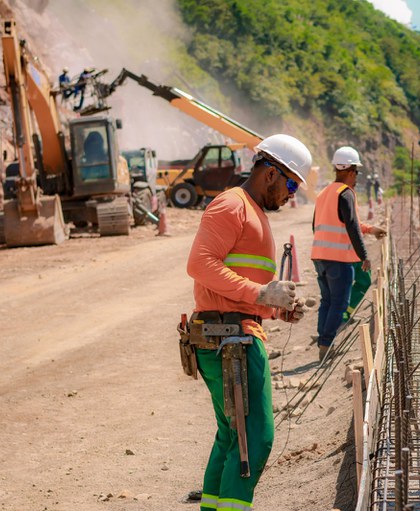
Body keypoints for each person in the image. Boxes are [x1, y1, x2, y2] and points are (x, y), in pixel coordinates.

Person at [186, 134, 314, 511]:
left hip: (232, 331)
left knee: (231, 436)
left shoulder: (251, 211)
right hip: (230, 338)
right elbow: (200, 265)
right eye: (291, 184)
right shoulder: (232, 205)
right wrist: (261, 295)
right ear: (270, 174)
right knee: (255, 437)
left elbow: (243, 286)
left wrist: (276, 308)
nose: (292, 193)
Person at [311, 146, 386, 361]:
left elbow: (319, 224)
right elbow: (351, 226)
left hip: (319, 256)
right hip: (338, 260)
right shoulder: (346, 193)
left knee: (326, 301)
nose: (356, 177)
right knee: (339, 303)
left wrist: (371, 229)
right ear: (351, 171)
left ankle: (322, 341)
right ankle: (326, 345)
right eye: (357, 173)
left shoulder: (324, 193)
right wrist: (364, 256)